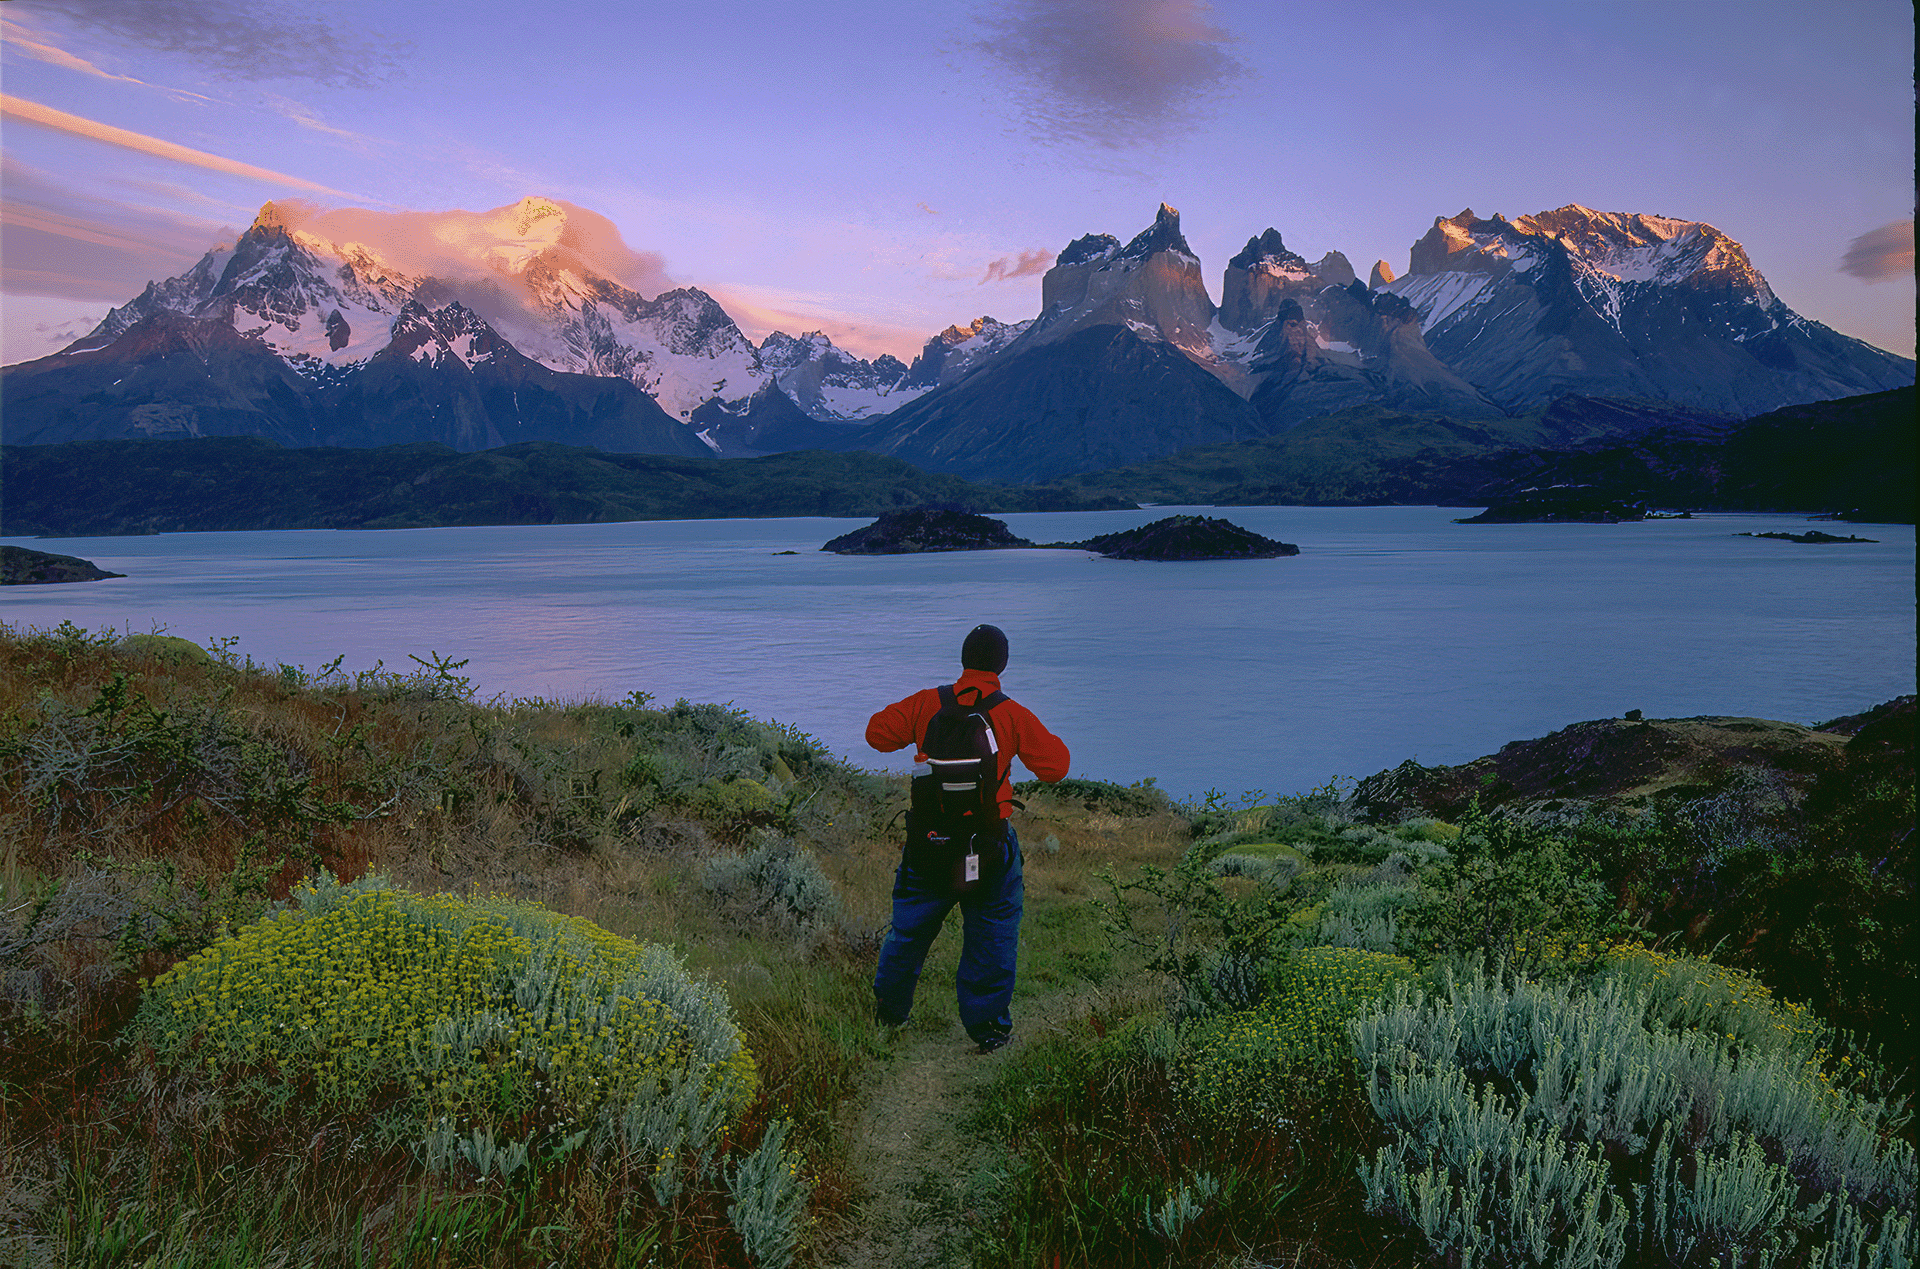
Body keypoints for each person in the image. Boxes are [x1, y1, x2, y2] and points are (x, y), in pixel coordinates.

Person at [866, 623, 1071, 1053]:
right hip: (988, 847)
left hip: (929, 845)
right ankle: (989, 1031)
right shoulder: (1011, 714)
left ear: (963, 659)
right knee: (992, 936)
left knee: (907, 935)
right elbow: (1057, 767)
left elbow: (876, 734)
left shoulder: (927, 704)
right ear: (1002, 665)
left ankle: (888, 1015)